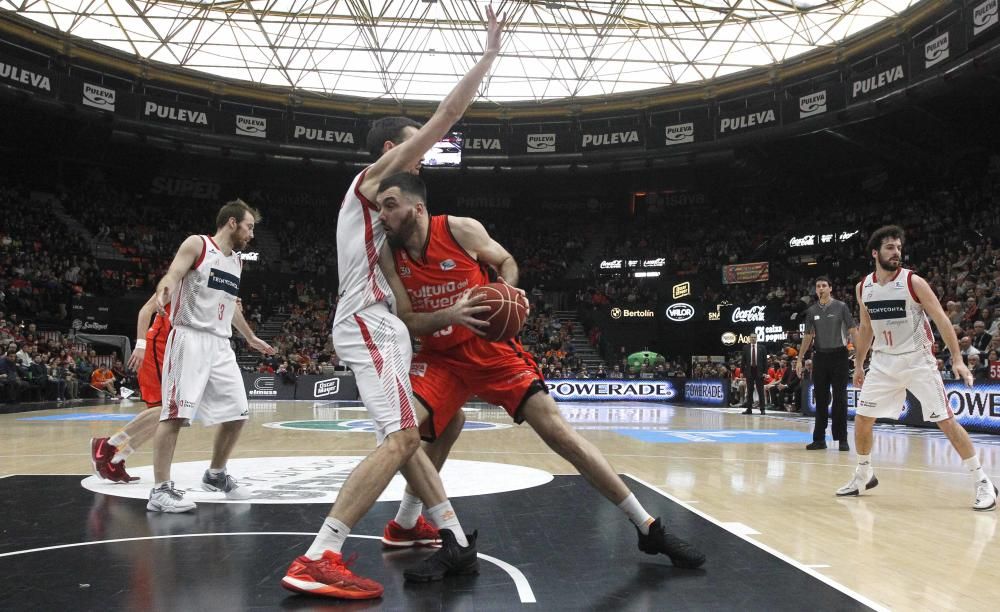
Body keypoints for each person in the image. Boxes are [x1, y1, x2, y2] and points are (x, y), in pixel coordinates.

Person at [281, 7, 507, 600]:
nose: (425, 155)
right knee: (404, 438)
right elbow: (447, 116)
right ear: (390, 151)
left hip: (378, 323)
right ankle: (320, 554)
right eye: (415, 150)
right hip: (368, 322)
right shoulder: (369, 184)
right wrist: (486, 56)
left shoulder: (384, 218)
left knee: (438, 423)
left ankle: (421, 529)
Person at [375, 172, 705, 569]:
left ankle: (648, 527)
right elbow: (408, 320)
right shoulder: (388, 255)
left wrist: (507, 292)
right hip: (440, 357)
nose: (382, 215)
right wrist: (451, 313)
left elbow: (506, 261)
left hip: (490, 349)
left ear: (417, 208)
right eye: (379, 207)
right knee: (404, 433)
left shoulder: (460, 230)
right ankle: (406, 524)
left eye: (389, 204)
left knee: (559, 434)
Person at [837, 225, 996, 511]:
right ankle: (864, 473)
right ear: (875, 253)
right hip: (883, 362)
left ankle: (982, 480)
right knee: (863, 419)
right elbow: (866, 327)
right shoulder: (864, 287)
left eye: (898, 247)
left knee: (945, 421)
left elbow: (942, 320)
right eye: (889, 247)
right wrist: (860, 363)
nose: (896, 252)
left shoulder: (913, 282)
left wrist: (957, 358)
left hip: (918, 360)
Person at [148, 199, 275, 513]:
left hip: (221, 344)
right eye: (248, 227)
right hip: (189, 337)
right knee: (175, 414)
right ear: (231, 223)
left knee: (238, 413)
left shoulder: (237, 262)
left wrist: (250, 337)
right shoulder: (197, 245)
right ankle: (160, 491)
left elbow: (230, 305)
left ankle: (215, 474)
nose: (251, 234)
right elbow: (173, 274)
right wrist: (165, 289)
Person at [90, 295, 269, 483]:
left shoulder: (213, 286)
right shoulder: (181, 280)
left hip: (182, 349)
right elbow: (145, 310)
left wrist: (229, 310)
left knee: (170, 417)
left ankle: (116, 458)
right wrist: (141, 344)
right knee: (167, 412)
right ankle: (107, 445)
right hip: (159, 347)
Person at [796, 276, 858, 451]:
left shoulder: (841, 307)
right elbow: (808, 336)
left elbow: (853, 330)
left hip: (839, 356)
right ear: (815, 290)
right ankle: (819, 439)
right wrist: (800, 358)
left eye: (824, 285)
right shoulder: (811, 311)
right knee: (821, 399)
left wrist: (860, 355)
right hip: (820, 357)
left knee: (840, 399)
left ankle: (842, 439)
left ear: (830, 288)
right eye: (818, 286)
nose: (821, 288)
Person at [741, 333, 767, 414]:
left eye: (754, 337)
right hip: (749, 371)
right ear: (749, 338)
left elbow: (765, 361)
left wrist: (765, 372)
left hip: (759, 371)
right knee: (749, 391)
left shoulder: (762, 347)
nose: (753, 339)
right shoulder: (746, 347)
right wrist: (742, 371)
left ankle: (762, 409)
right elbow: (743, 361)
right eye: (751, 337)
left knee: (760, 391)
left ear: (756, 338)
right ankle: (749, 409)